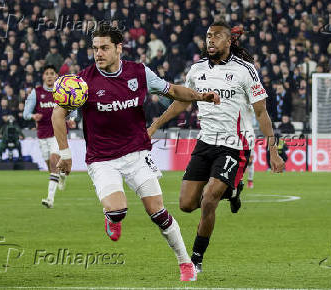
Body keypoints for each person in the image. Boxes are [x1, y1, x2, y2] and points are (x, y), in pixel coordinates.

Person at [51, 24, 220, 281]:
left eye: (104, 47)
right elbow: (57, 114)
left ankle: (185, 263)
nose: (98, 53)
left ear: (119, 48)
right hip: (103, 159)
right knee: (119, 210)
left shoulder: (139, 73)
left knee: (158, 213)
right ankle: (113, 218)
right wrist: (65, 153)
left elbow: (173, 90)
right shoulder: (83, 82)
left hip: (137, 153)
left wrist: (201, 96)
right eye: (95, 48)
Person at [148, 22, 285, 273]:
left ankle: (196, 260)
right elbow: (182, 102)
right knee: (187, 204)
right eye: (208, 36)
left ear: (229, 41)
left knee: (209, 198)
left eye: (217, 36)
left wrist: (273, 150)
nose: (211, 40)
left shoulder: (245, 70)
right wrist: (155, 125)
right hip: (205, 142)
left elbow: (261, 111)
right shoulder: (197, 70)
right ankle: (232, 192)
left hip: (235, 145)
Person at [24, 64, 76, 209]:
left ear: (56, 76)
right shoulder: (36, 93)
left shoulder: (62, 91)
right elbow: (25, 113)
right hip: (42, 134)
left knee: (54, 160)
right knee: (50, 166)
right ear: (43, 76)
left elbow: (74, 107)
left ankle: (50, 199)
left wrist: (72, 119)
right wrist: (33, 116)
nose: (49, 76)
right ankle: (62, 175)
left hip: (58, 132)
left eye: (52, 73)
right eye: (46, 73)